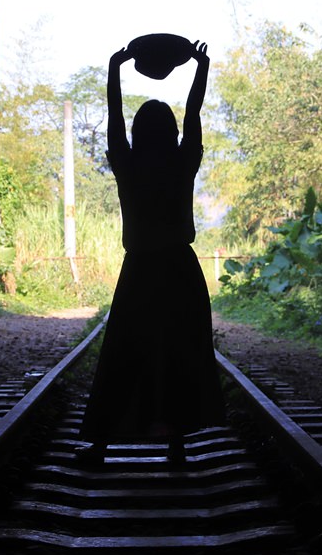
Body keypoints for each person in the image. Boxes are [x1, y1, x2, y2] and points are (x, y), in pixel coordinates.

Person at [77, 39, 226, 465]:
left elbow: (114, 116)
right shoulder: (184, 163)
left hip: (139, 271)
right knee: (180, 352)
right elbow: (194, 111)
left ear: (137, 134)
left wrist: (116, 67)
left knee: (125, 352)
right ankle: (176, 446)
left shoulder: (126, 163)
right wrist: (200, 67)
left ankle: (101, 445)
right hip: (181, 271)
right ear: (175, 133)